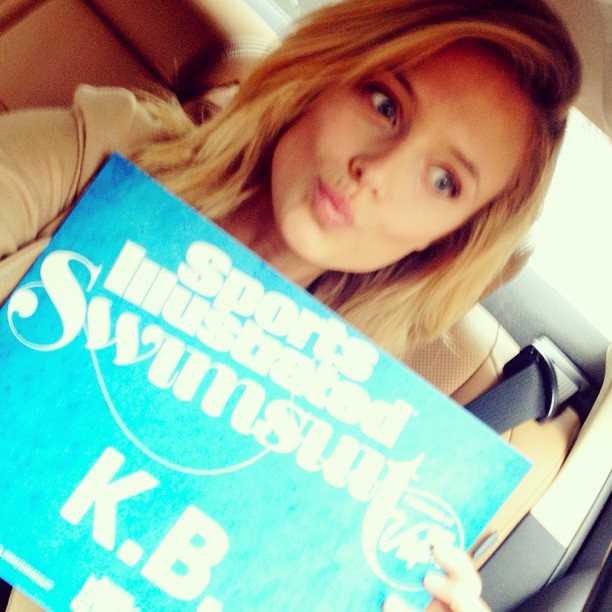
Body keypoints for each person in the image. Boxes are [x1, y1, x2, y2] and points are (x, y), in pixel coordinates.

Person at [0, 0, 581, 610]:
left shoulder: (344, 462)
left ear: (447, 238)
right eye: (385, 104)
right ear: (326, 74)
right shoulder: (102, 153)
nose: (376, 171)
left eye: (443, 181)